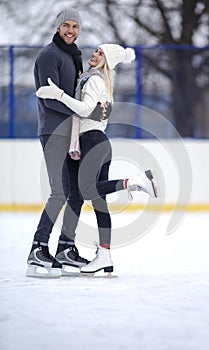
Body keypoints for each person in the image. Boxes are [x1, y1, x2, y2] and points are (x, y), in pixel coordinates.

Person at [36, 44, 159, 276]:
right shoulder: (101, 82)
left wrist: (59, 95)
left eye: (101, 54)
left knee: (85, 190)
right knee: (99, 202)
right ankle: (104, 255)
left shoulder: (94, 81)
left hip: (92, 141)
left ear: (107, 61)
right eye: (96, 51)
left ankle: (133, 182)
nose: (94, 55)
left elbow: (84, 110)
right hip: (100, 143)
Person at [26, 7, 91, 278]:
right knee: (59, 193)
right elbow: (47, 98)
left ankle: (65, 247)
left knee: (77, 193)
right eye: (66, 25)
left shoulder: (73, 56)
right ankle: (38, 249)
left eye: (75, 26)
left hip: (73, 132)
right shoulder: (49, 56)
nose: (70, 31)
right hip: (53, 131)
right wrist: (80, 110)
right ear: (57, 27)